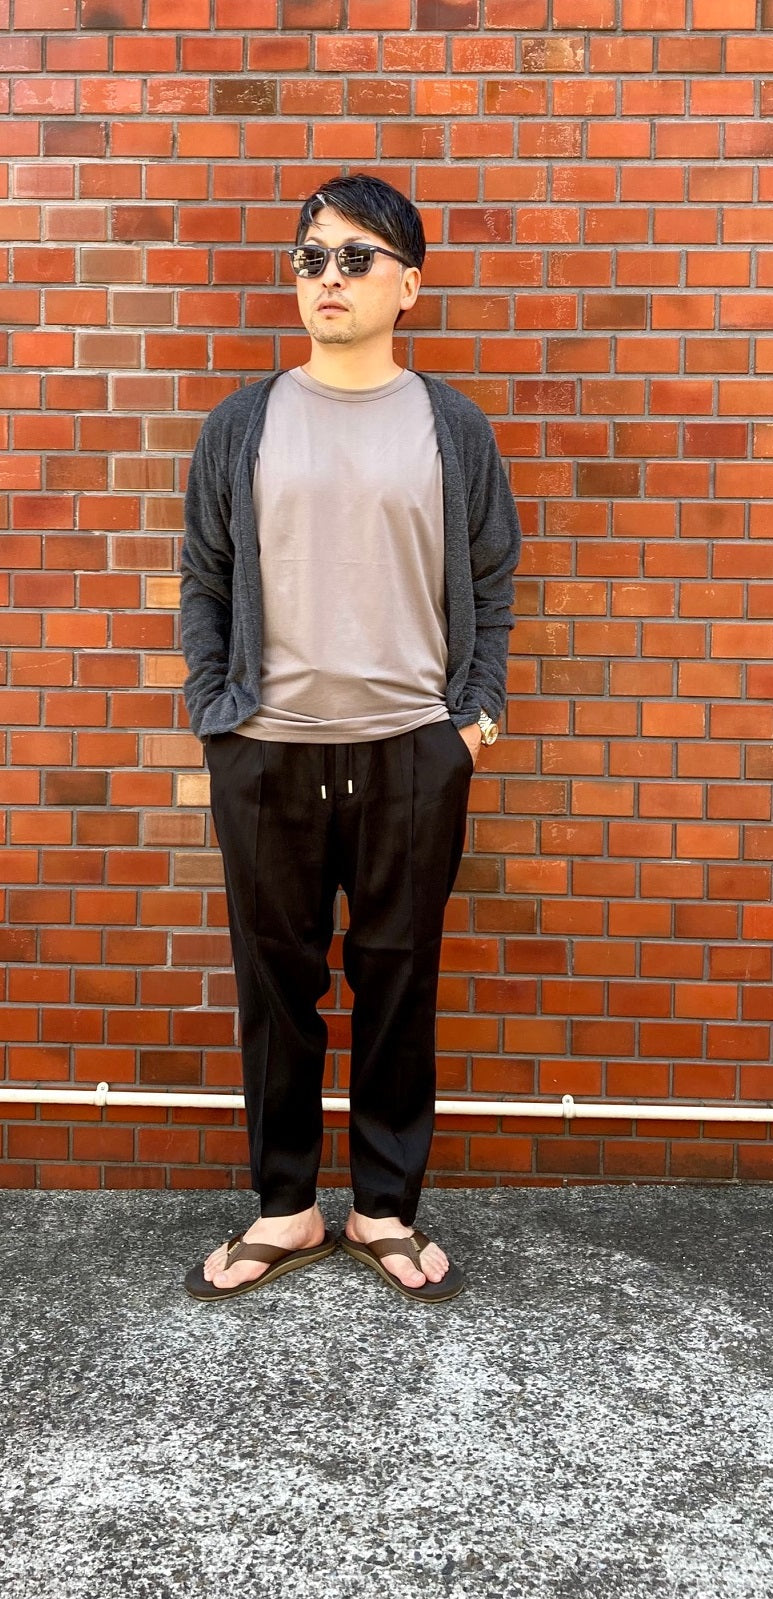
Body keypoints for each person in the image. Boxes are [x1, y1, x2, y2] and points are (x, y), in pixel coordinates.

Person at [180, 173, 521, 1306]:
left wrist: (472, 717)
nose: (328, 277)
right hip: (265, 748)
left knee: (398, 979)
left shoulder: (450, 427)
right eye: (311, 256)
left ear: (408, 285)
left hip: (411, 749)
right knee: (273, 984)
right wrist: (215, 713)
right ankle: (286, 1206)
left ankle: (383, 1206)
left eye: (356, 257)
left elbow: (490, 576)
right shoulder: (241, 424)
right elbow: (204, 578)